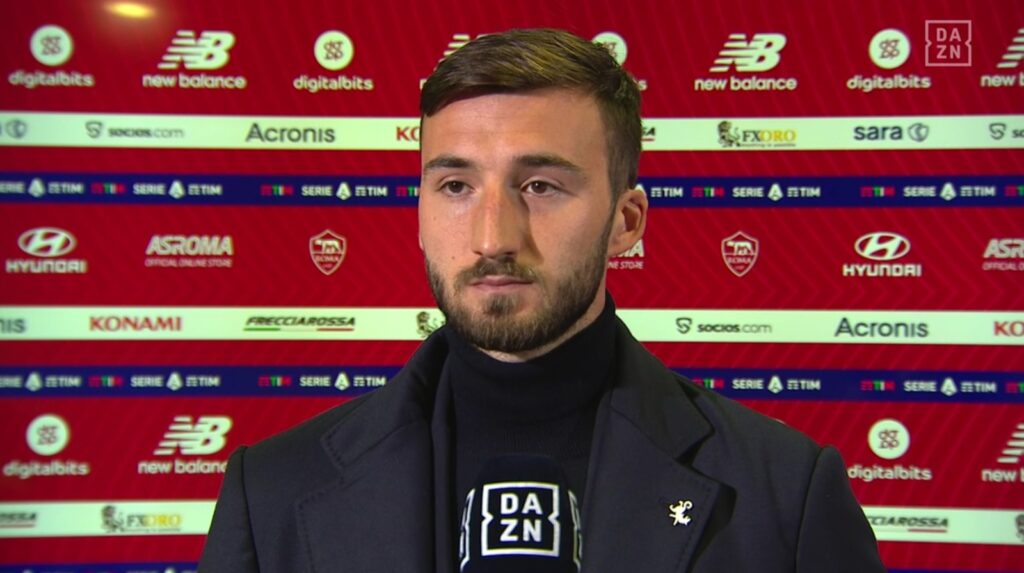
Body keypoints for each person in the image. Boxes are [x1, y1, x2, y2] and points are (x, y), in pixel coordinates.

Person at [199, 28, 885, 572]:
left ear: (626, 222)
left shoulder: (785, 495)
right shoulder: (272, 491)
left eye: (541, 186)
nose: (493, 237)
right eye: (456, 186)